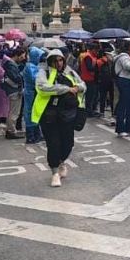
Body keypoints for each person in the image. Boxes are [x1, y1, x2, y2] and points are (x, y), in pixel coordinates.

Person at [32, 50, 86, 187]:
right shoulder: (43, 73)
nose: (59, 63)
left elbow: (83, 85)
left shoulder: (70, 72)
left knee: (68, 143)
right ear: (50, 61)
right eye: (55, 60)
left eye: (61, 60)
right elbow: (43, 88)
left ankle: (61, 161)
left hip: (68, 114)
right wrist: (66, 89)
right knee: (53, 144)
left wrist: (76, 88)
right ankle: (55, 172)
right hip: (49, 115)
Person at [113, 40, 130, 137]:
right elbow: (129, 67)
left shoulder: (122, 56)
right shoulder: (124, 57)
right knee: (124, 104)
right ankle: (121, 128)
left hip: (125, 80)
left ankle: (128, 127)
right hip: (125, 81)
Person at [0, 48, 25, 139]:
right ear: (17, 55)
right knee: (14, 112)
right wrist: (22, 74)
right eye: (22, 56)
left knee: (13, 111)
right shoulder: (11, 65)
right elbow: (16, 78)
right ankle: (11, 131)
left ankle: (11, 130)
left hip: (12, 90)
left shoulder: (10, 64)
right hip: (14, 90)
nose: (23, 58)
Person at [21, 47, 45, 144]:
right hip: (31, 92)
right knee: (30, 113)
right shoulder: (30, 67)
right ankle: (31, 136)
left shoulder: (32, 66)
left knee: (35, 113)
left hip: (32, 92)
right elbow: (35, 79)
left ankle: (36, 134)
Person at [79, 43, 101, 117]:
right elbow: (89, 68)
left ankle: (89, 110)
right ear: (93, 49)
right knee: (89, 96)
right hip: (88, 79)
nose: (97, 52)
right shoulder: (88, 56)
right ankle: (88, 112)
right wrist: (97, 68)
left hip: (89, 78)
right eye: (97, 51)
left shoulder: (90, 56)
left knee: (91, 96)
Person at [96, 44, 115, 118]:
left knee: (108, 97)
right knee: (105, 97)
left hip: (108, 81)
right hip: (106, 80)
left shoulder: (112, 60)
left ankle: (108, 112)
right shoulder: (101, 61)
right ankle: (103, 112)